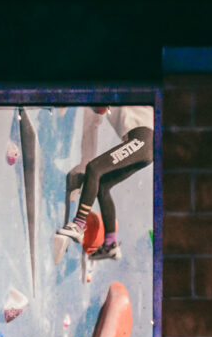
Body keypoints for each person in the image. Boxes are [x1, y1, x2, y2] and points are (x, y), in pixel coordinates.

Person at [55, 106, 154, 265]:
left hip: (143, 139)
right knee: (102, 186)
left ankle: (78, 225)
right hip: (143, 145)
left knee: (94, 169)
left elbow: (100, 108)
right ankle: (110, 244)